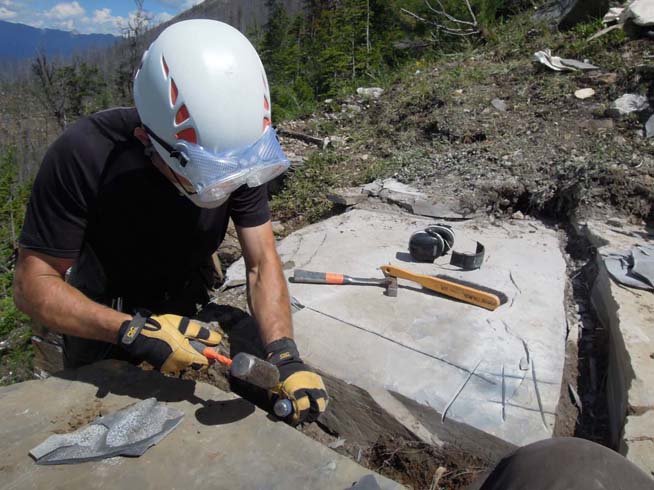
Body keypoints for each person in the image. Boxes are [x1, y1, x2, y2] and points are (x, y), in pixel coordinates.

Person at [12, 19, 327, 426]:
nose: (223, 185)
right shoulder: (84, 154)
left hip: (188, 302)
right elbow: (32, 286)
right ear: (149, 141)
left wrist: (284, 354)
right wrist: (131, 331)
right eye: (205, 174)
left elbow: (261, 261)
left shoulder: (237, 148)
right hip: (101, 320)